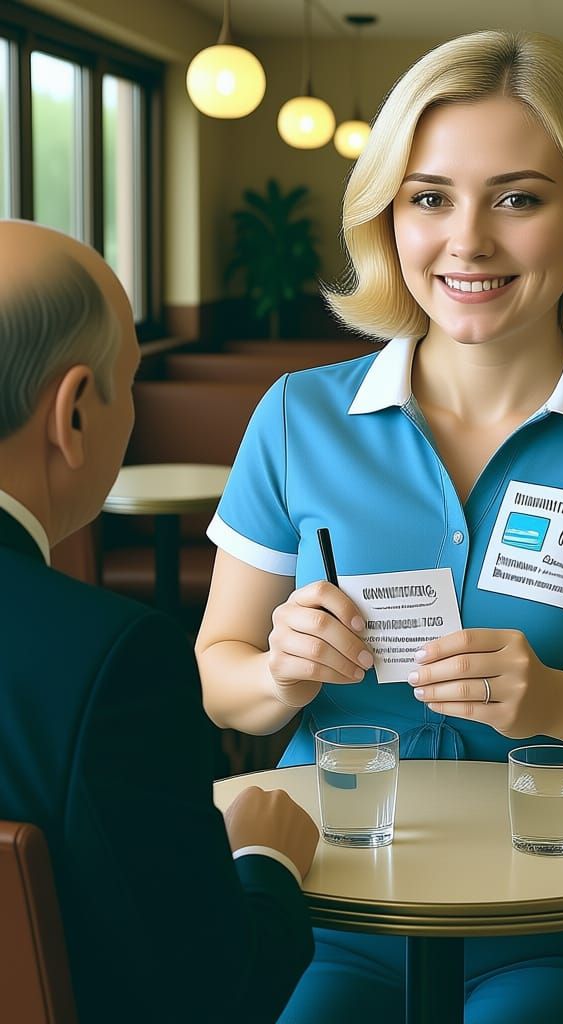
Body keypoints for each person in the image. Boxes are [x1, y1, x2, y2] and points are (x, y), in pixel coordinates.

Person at [195, 30, 563, 1023]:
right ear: (389, 215)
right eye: (429, 197)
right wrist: (280, 673)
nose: (467, 240)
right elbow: (220, 677)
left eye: (518, 197)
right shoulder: (298, 417)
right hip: (326, 902)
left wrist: (558, 701)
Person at [0, 220, 321, 1023]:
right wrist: (265, 859)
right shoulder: (110, 665)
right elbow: (214, 996)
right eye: (131, 379)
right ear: (74, 412)